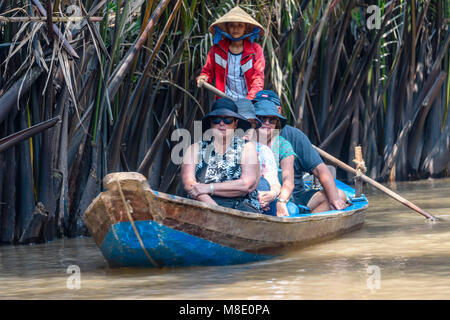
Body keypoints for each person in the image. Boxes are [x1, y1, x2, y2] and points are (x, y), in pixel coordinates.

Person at [252, 90, 348, 213]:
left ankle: (307, 227)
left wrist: (335, 199)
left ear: (278, 112)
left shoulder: (290, 139)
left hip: (293, 196)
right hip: (257, 193)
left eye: (270, 119)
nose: (266, 122)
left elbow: (318, 170)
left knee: (339, 196)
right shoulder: (243, 136)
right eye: (261, 116)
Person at [181, 98, 261, 213]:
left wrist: (209, 187)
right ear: (210, 123)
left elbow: (246, 184)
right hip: (203, 204)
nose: (221, 124)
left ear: (235, 124)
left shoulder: (247, 147)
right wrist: (215, 209)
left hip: (241, 208)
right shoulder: (194, 148)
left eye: (227, 120)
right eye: (216, 119)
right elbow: (190, 185)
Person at [196, 6, 265, 100]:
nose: (236, 28)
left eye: (240, 25)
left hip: (249, 99)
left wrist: (250, 99)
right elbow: (207, 71)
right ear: (227, 28)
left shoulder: (255, 50)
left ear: (245, 28)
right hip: (224, 99)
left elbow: (258, 77)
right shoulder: (216, 49)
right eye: (232, 25)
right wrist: (203, 77)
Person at [235, 98, 281, 215]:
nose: (246, 129)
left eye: (250, 124)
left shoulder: (263, 151)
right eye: (241, 123)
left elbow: (274, 183)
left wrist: (271, 194)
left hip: (258, 206)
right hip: (229, 201)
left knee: (264, 184)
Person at [254, 100, 298, 217]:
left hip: (278, 195)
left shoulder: (283, 145)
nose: (267, 123)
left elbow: (288, 181)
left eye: (271, 120)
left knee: (291, 211)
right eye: (262, 119)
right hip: (249, 194)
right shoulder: (242, 141)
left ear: (276, 124)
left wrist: (281, 201)